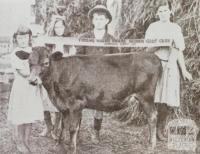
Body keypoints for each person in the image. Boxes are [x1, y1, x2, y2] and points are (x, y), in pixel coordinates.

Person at [145, 1, 193, 141]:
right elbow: (147, 49)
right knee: (153, 98)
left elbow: (179, 51)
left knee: (166, 100)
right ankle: (152, 131)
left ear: (170, 12)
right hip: (154, 66)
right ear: (157, 13)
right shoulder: (152, 27)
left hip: (170, 65)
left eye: (166, 10)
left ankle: (160, 130)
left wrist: (184, 70)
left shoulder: (175, 28)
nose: (163, 13)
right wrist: (160, 43)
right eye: (160, 11)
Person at [76, 4, 119, 143]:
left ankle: (96, 131)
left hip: (102, 80)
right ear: (92, 20)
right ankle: (76, 130)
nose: (98, 21)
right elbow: (78, 57)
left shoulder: (111, 40)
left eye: (101, 18)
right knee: (79, 104)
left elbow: (116, 60)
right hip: (85, 77)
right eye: (96, 18)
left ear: (107, 21)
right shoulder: (84, 37)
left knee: (99, 106)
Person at [7, 25, 44, 153]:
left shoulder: (33, 51)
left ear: (29, 38)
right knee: (20, 115)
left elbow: (38, 65)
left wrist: (39, 74)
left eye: (25, 38)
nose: (23, 40)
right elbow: (23, 72)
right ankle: (19, 140)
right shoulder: (15, 53)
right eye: (20, 38)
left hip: (32, 89)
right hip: (22, 87)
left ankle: (27, 139)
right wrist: (35, 78)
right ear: (16, 39)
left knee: (30, 114)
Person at [40, 15, 76, 140]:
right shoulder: (48, 42)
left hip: (63, 78)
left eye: (61, 26)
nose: (58, 29)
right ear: (53, 28)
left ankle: (56, 128)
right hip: (49, 77)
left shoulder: (70, 42)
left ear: (65, 27)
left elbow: (73, 60)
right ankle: (48, 126)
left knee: (59, 102)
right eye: (56, 27)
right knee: (45, 101)